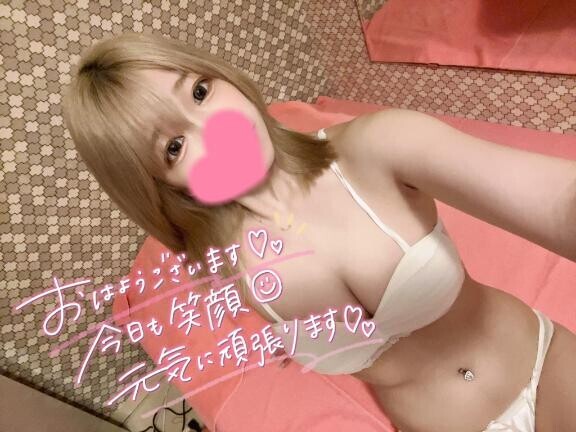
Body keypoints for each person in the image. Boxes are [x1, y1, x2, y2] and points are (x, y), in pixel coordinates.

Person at [62, 31, 576, 432]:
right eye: (173, 147)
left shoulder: (379, 146)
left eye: (200, 91)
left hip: (544, 371)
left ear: (224, 76)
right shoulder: (230, 268)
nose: (216, 132)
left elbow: (557, 202)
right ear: (158, 184)